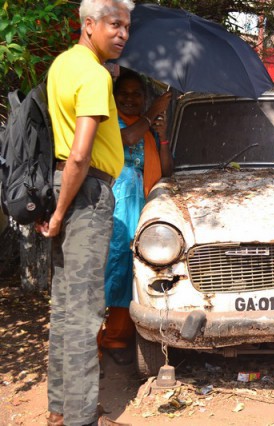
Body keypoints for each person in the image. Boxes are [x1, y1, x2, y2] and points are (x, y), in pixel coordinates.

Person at [39, 1, 134, 425]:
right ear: (89, 24)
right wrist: (61, 214)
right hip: (85, 193)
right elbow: (80, 154)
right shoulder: (94, 75)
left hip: (63, 186)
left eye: (127, 27)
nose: (122, 34)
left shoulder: (63, 64)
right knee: (84, 314)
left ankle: (60, 410)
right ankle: (80, 418)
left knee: (64, 307)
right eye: (115, 24)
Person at [98, 70, 172, 366]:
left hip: (145, 208)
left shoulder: (150, 128)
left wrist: (162, 136)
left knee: (133, 271)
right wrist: (151, 114)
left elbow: (167, 171)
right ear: (114, 98)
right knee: (111, 270)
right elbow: (126, 140)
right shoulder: (108, 124)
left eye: (136, 94)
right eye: (123, 94)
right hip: (117, 208)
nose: (130, 99)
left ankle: (119, 339)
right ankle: (99, 344)